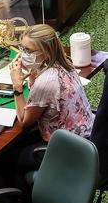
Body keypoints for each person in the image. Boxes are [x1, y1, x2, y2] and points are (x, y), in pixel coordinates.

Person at [9, 24, 94, 171]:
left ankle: (29, 193)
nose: (23, 54)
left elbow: (24, 120)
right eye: (22, 48)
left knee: (10, 157)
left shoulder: (46, 81)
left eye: (28, 50)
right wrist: (33, 71)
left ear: (46, 52)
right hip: (87, 138)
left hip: (70, 150)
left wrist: (17, 87)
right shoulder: (64, 63)